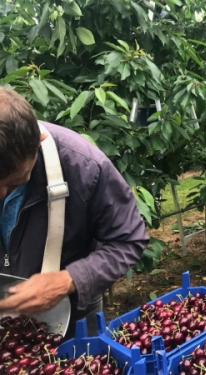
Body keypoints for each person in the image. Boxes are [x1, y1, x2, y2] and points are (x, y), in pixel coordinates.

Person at [0, 87, 149, 336]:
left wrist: (68, 280)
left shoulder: (86, 167)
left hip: (72, 310)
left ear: (38, 141)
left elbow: (129, 240)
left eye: (15, 181)